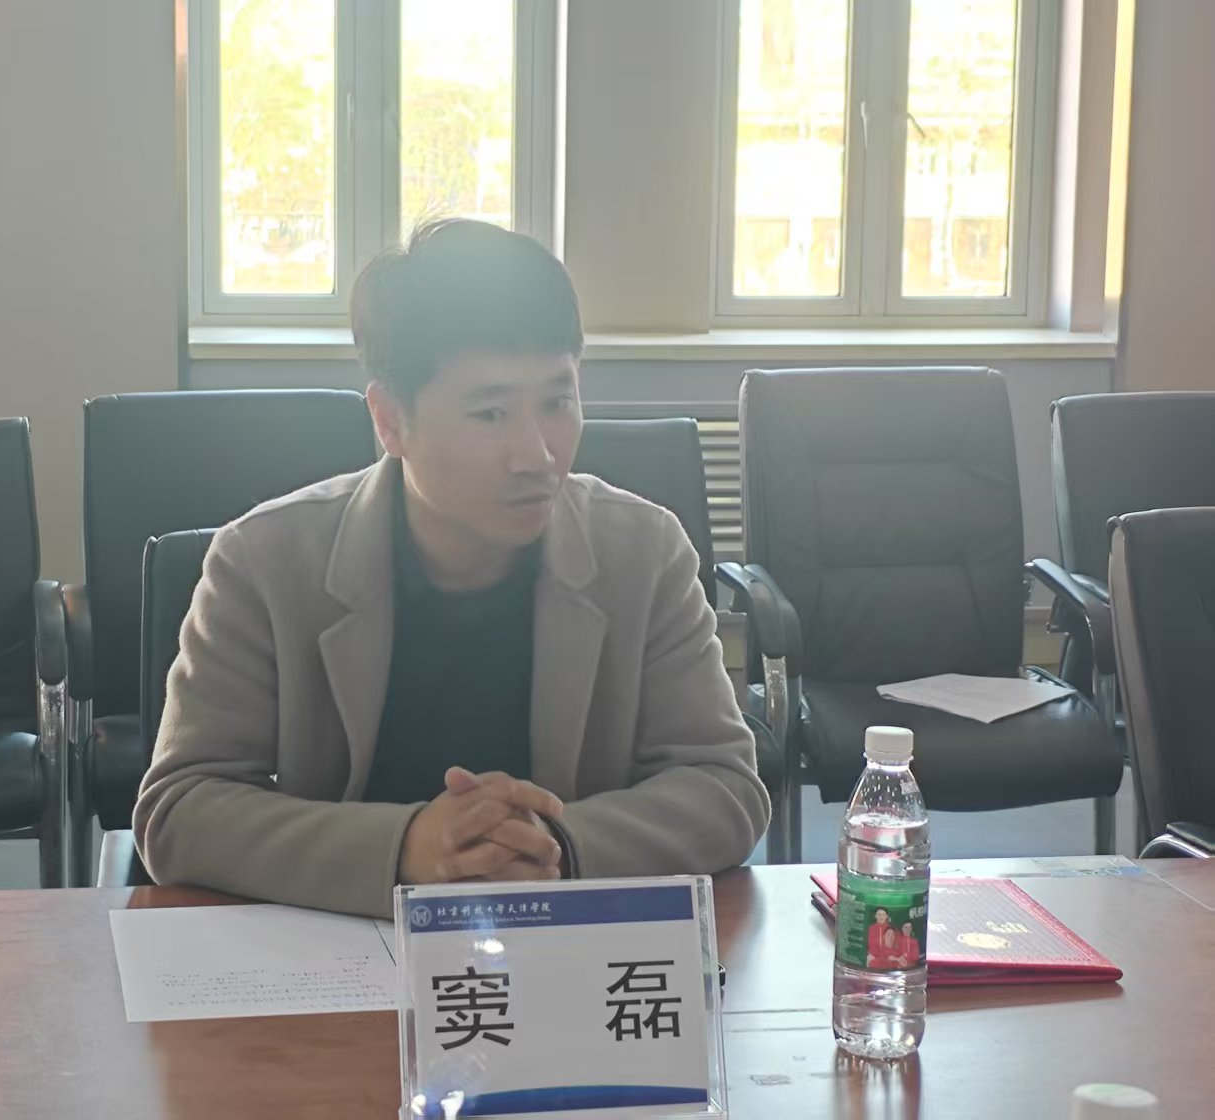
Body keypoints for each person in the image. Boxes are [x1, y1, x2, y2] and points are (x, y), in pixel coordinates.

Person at [133, 218, 770, 918]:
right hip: (339, 941)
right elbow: (179, 810)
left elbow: (725, 789)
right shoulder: (264, 559)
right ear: (390, 420)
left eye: (557, 402)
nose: (537, 455)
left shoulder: (644, 552)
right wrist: (406, 848)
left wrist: (555, 846)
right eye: (490, 413)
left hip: (563, 947)